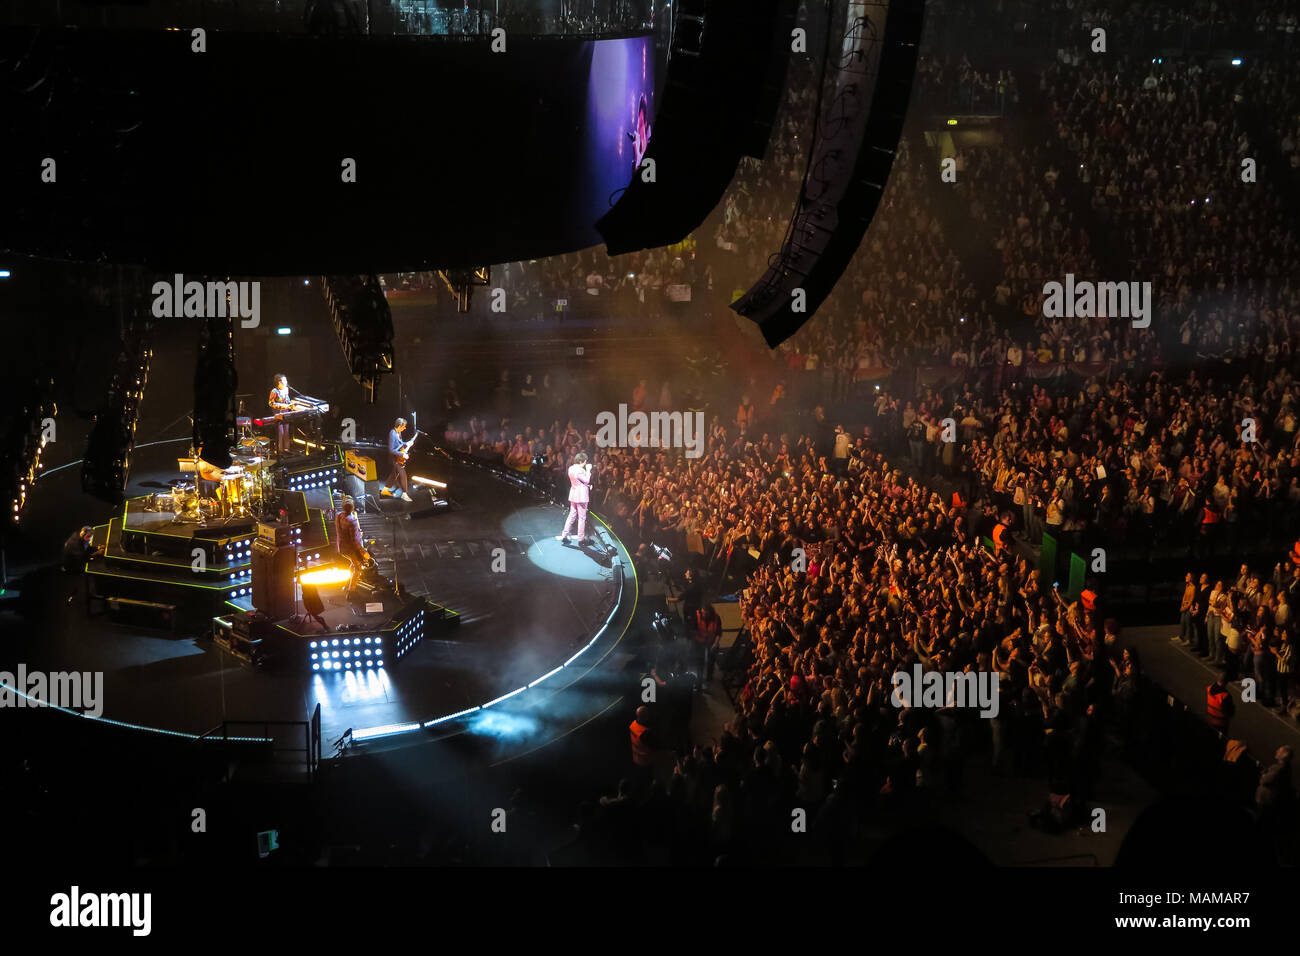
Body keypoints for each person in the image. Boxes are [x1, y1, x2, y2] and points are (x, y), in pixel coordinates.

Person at [557, 451, 592, 543]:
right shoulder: (581, 470)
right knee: (582, 518)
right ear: (581, 461)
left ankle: (564, 535)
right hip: (581, 496)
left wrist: (586, 486)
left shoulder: (571, 468)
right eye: (585, 462)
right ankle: (581, 539)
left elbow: (578, 482)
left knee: (572, 515)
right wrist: (588, 470)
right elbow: (587, 480)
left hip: (574, 494)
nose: (585, 464)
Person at [334, 497, 366, 593]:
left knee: (353, 563)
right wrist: (361, 554)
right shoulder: (352, 521)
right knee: (358, 567)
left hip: (341, 547)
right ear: (352, 508)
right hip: (350, 549)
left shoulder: (338, 515)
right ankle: (351, 591)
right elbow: (354, 541)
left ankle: (348, 583)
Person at [381, 417, 414, 502]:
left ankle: (385, 490)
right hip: (394, 458)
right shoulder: (392, 433)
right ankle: (404, 494)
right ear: (399, 425)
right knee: (403, 474)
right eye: (404, 426)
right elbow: (391, 450)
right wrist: (402, 454)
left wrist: (407, 443)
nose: (405, 428)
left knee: (394, 475)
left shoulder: (399, 432)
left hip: (398, 457)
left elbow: (400, 444)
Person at [268, 374, 294, 455]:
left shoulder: (286, 389)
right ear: (279, 382)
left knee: (286, 431)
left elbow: (287, 399)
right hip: (278, 413)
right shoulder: (274, 391)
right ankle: (279, 450)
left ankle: (286, 449)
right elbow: (271, 403)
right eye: (284, 380)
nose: (286, 382)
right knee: (280, 432)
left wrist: (291, 404)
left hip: (286, 412)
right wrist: (281, 406)